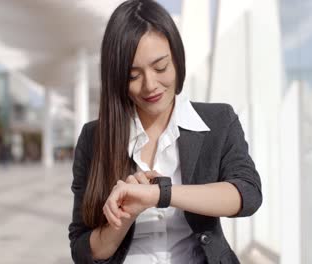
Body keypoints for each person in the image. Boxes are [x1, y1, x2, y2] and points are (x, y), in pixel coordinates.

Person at [68, 1, 262, 263]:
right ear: (116, 78)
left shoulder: (218, 121)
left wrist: (160, 194)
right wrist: (125, 215)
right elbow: (84, 252)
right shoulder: (94, 139)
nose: (150, 85)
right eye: (133, 76)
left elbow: (248, 194)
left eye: (160, 67)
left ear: (177, 59)